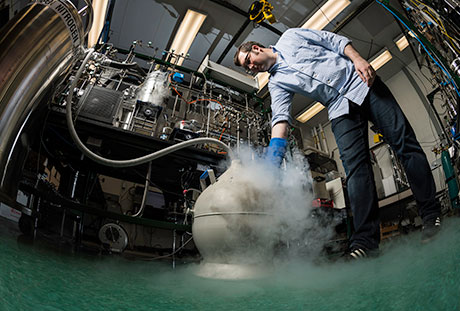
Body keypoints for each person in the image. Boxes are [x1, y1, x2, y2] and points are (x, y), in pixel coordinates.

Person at [234, 28, 441, 259]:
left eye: (249, 61)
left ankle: (431, 215)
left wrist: (359, 60)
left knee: (404, 143)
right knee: (355, 172)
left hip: (361, 81)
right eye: (247, 68)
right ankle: (365, 243)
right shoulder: (276, 83)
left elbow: (332, 40)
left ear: (256, 48)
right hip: (338, 108)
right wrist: (271, 165)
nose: (251, 68)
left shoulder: (291, 37)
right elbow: (280, 119)